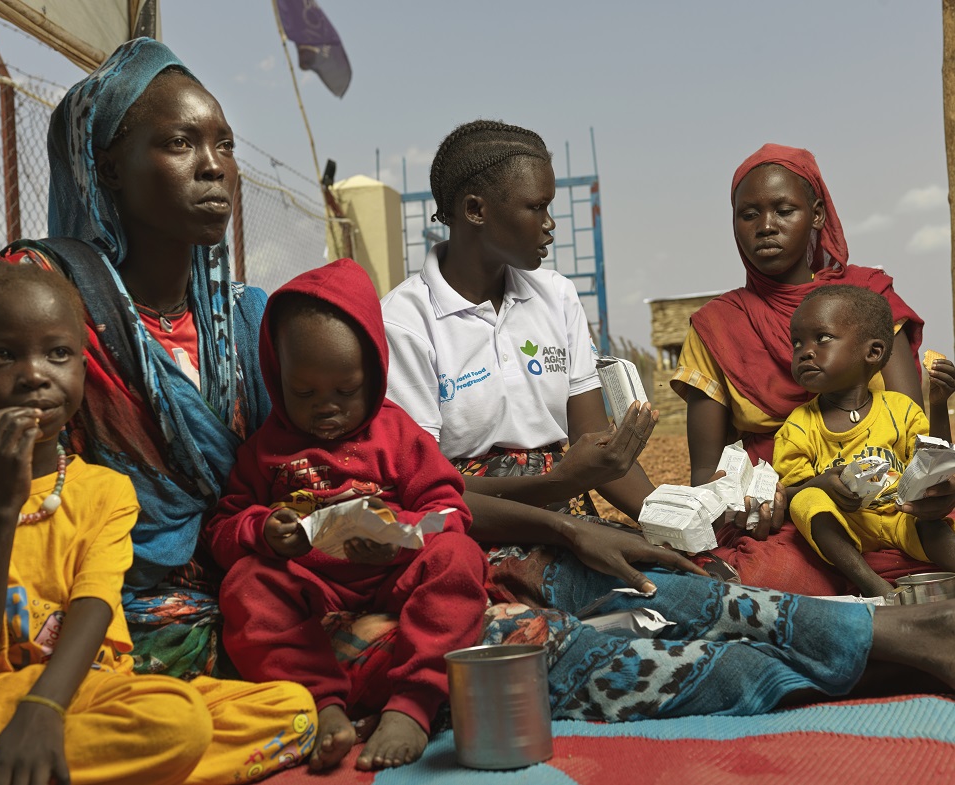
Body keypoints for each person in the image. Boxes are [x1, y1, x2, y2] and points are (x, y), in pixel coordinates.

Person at [378, 119, 955, 723]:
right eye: (537, 207)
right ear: (475, 209)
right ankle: (892, 655)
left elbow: (591, 451)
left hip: (568, 515)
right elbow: (431, 493)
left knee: (705, 583)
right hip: (478, 536)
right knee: (624, 650)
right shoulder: (406, 323)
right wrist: (569, 514)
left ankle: (908, 634)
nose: (550, 222)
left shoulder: (553, 296)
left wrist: (667, 527)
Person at [0, 38, 269, 677]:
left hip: (243, 586)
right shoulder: (38, 295)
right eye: (179, 143)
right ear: (106, 167)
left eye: (224, 145)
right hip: (75, 608)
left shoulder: (247, 320)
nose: (213, 166)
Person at [0, 263, 315, 785]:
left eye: (59, 353)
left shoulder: (104, 492)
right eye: (3, 355)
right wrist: (3, 508)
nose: (35, 373)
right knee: (177, 726)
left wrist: (46, 708)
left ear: (81, 369)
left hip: (85, 694)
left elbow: (94, 606)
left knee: (292, 711)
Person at [206, 259, 488, 771]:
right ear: (277, 377)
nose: (326, 408)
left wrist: (404, 536)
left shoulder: (397, 435)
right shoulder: (267, 450)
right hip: (312, 585)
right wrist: (264, 532)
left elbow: (449, 508)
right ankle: (321, 705)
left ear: (374, 372)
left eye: (345, 391)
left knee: (459, 557)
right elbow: (223, 529)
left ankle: (413, 703)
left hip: (393, 573)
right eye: (304, 393)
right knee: (246, 584)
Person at [670, 143, 955, 595]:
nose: (766, 227)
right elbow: (707, 472)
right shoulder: (717, 327)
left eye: (784, 210)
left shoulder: (866, 301)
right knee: (766, 575)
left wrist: (933, 489)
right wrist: (752, 505)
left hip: (891, 494)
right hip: (786, 512)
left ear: (817, 214)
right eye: (748, 215)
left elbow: (912, 432)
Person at [774, 285, 955, 597]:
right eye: (797, 343)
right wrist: (820, 485)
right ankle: (878, 588)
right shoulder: (799, 426)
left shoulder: (901, 409)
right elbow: (790, 496)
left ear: (872, 352)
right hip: (847, 525)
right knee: (807, 502)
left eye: (822, 338)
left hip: (904, 516)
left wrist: (938, 405)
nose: (805, 351)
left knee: (934, 516)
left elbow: (934, 465)